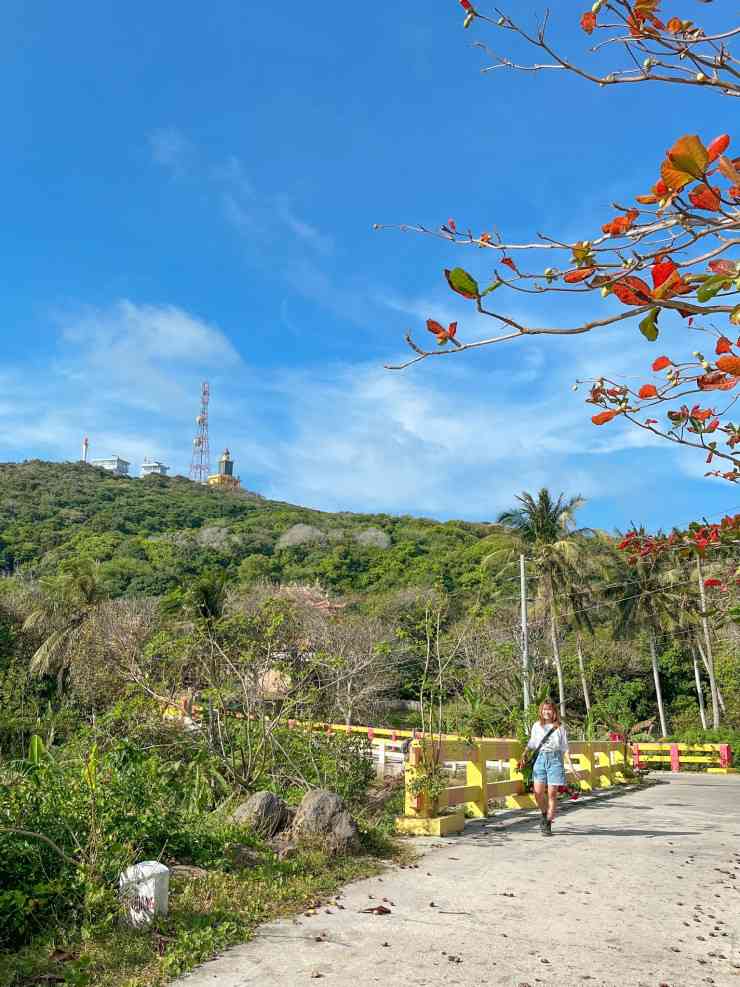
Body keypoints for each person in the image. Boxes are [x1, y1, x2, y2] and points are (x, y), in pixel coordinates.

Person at [519, 700, 575, 836]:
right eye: (544, 709)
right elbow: (532, 742)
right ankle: (544, 814)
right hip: (540, 759)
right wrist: (524, 753)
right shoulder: (536, 725)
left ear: (554, 711)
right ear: (541, 711)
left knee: (552, 793)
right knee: (538, 792)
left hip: (555, 760)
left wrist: (571, 766)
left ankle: (548, 823)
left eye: (549, 709)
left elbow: (565, 748)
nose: (546, 712)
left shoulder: (560, 727)